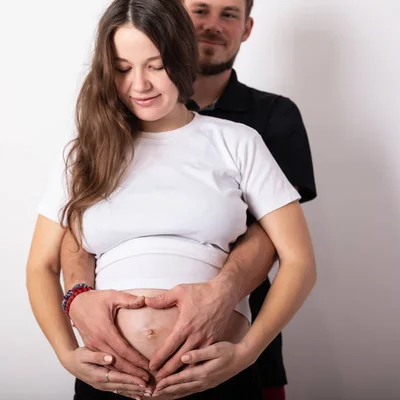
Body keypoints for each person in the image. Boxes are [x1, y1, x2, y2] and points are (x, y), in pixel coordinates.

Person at [26, 0, 316, 399]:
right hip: (110, 384)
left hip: (217, 379)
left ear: (181, 57)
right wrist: (66, 353)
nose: (140, 84)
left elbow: (299, 260)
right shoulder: (86, 152)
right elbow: (41, 264)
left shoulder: (238, 141)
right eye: (123, 69)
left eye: (156, 65)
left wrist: (248, 353)